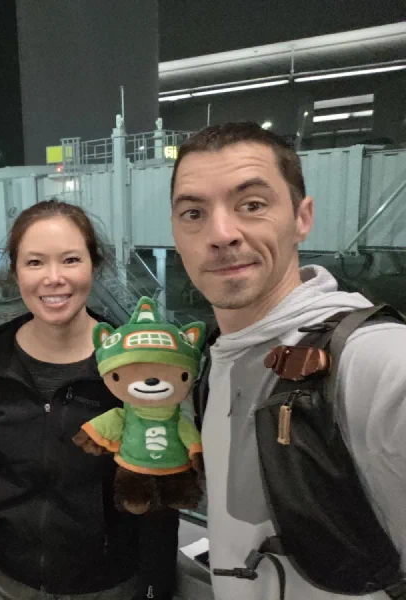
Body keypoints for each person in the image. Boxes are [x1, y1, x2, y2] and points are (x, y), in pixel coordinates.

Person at [170, 122, 406, 599]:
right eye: (193, 213)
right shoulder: (218, 358)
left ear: (303, 217)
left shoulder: (373, 359)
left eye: (251, 205)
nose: (220, 233)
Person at [0, 199, 179, 600]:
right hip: (6, 579)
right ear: (15, 271)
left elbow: (159, 495)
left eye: (69, 260)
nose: (53, 278)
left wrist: (157, 587)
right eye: (34, 263)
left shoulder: (134, 367)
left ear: (93, 265)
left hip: (106, 585)